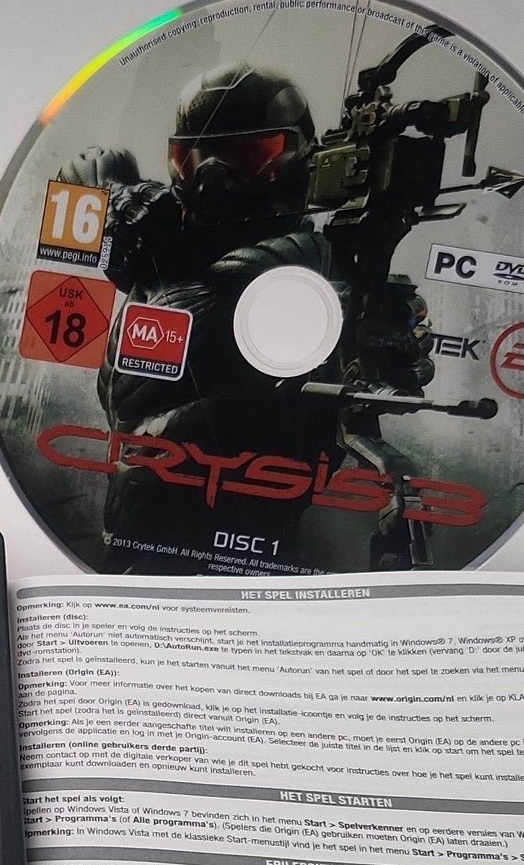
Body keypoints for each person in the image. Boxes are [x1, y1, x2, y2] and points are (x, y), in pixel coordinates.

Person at [65, 62, 349, 574]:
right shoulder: (165, 256)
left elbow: (211, 299)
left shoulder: (302, 266)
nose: (214, 178)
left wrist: (123, 212)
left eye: (250, 157)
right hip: (134, 555)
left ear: (300, 158)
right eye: (192, 159)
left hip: (235, 565)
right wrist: (110, 207)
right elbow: (86, 202)